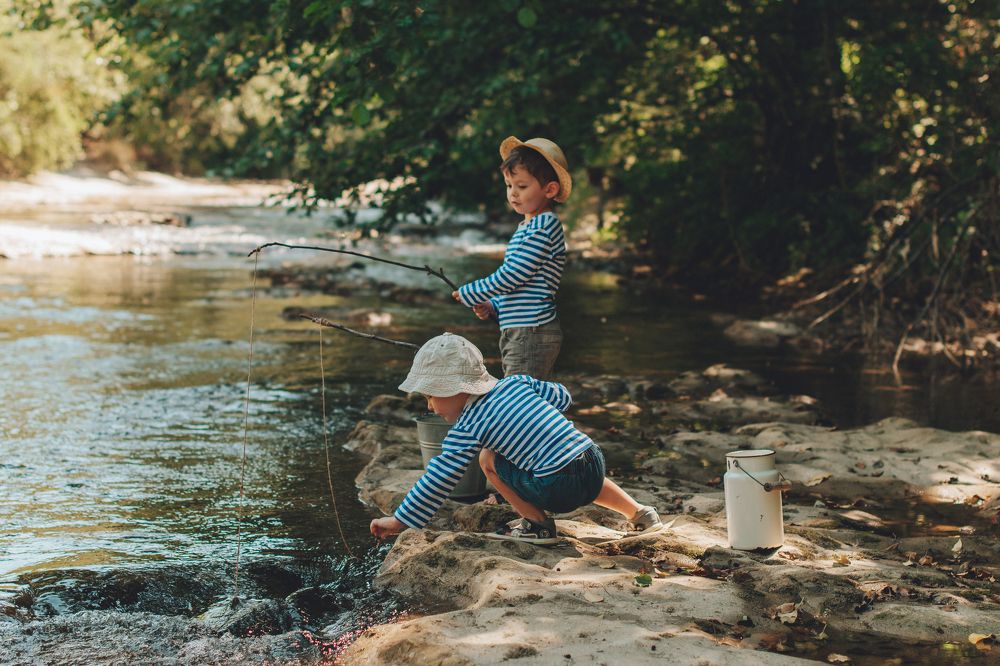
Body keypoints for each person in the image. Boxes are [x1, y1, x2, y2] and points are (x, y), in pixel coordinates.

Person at [368, 333, 662, 544]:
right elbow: (563, 396)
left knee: (488, 459)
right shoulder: (516, 383)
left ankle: (538, 525)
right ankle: (639, 513)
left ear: (455, 389)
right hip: (592, 461)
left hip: (557, 487)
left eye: (431, 395)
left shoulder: (469, 425)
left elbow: (439, 477)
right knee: (569, 455)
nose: (430, 406)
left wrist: (400, 520)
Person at [452, 136, 571, 380]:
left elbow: (513, 275)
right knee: (522, 395)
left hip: (532, 330)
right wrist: (493, 304)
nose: (513, 193)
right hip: (521, 329)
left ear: (550, 189)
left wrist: (473, 292)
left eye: (522, 186)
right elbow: (523, 284)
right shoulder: (525, 227)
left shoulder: (544, 225)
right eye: (509, 186)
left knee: (520, 396)